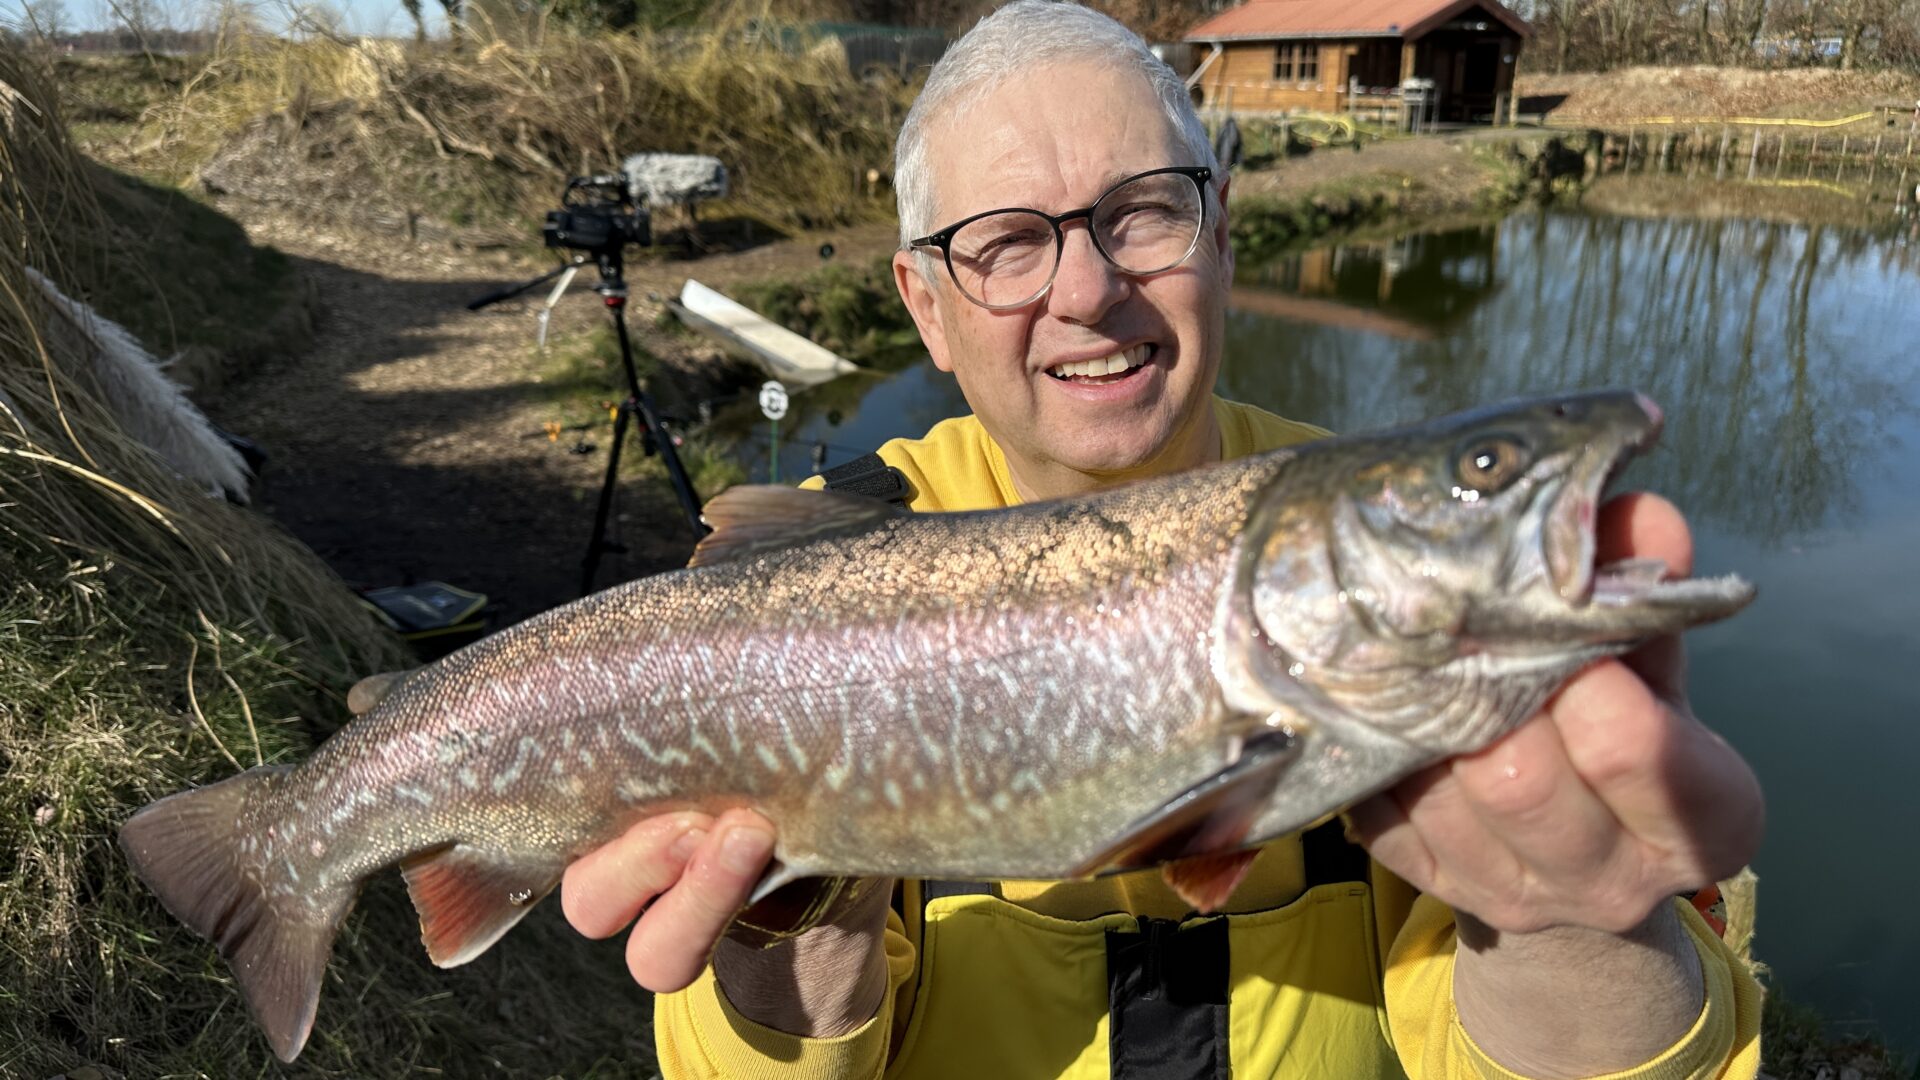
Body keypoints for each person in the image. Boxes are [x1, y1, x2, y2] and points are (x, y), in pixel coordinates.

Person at [560, 3, 1765, 1075]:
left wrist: (1576, 921)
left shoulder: (1375, 547)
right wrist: (796, 913)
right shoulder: (818, 581)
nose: (1086, 290)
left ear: (1221, 234)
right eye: (1009, 242)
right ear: (925, 306)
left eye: (1142, 213)